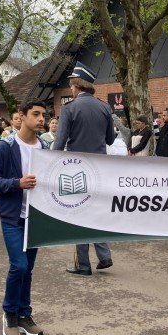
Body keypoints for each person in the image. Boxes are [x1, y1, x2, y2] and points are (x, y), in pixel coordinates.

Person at [0, 100, 50, 335]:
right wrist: (17, 183)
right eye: (36, 114)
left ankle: (24, 314)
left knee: (28, 269)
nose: (41, 118)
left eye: (44, 114)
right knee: (19, 265)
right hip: (13, 216)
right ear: (21, 116)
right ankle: (9, 314)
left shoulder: (44, 146)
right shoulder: (6, 146)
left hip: (36, 218)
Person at [52, 61, 115, 276]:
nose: (70, 88)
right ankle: (105, 256)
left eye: (71, 85)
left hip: (76, 169)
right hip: (100, 168)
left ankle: (83, 265)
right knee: (97, 213)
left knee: (79, 214)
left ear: (77, 85)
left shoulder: (69, 108)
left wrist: (50, 165)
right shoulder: (104, 107)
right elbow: (110, 139)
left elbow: (59, 144)